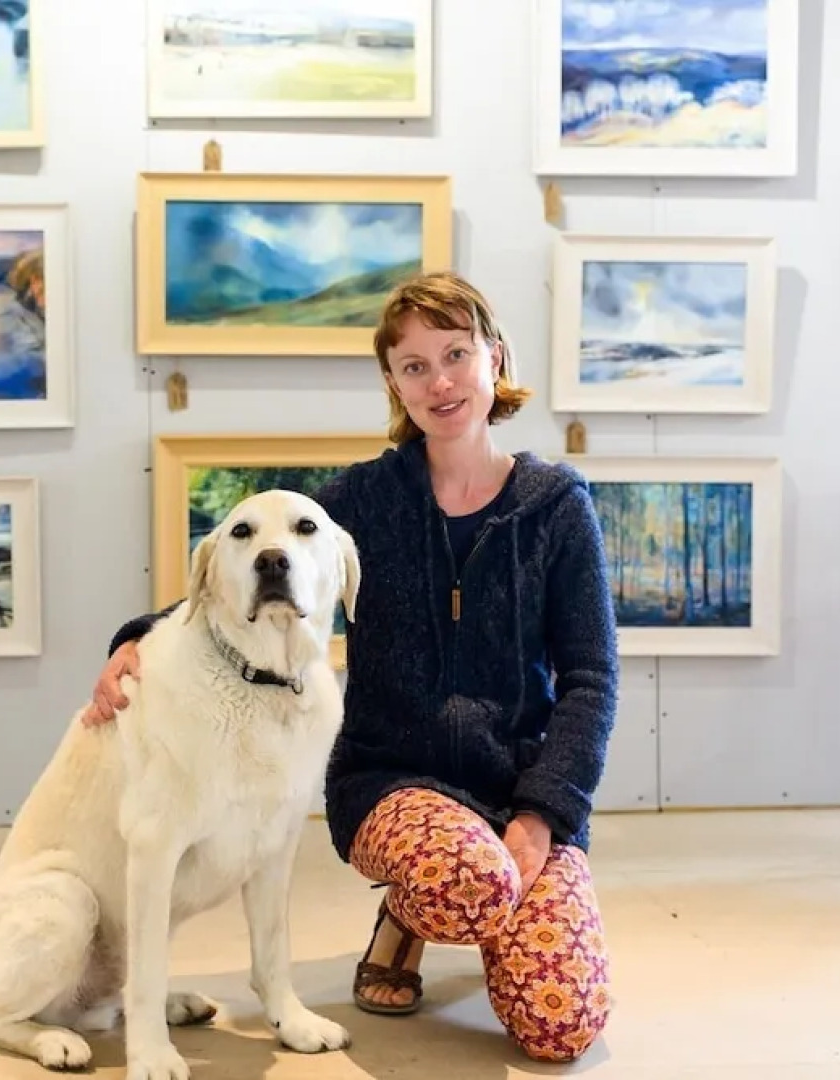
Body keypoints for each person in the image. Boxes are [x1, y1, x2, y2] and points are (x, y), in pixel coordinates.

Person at [84, 270, 618, 1063]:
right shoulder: (360, 501)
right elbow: (250, 572)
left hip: (518, 789)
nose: (438, 382)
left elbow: (589, 680)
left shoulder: (554, 507)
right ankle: (413, 911)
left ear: (494, 359)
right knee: (464, 880)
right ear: (392, 384)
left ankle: (485, 904)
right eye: (412, 366)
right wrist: (134, 637)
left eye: (455, 355)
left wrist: (540, 818)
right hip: (390, 781)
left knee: (559, 1025)